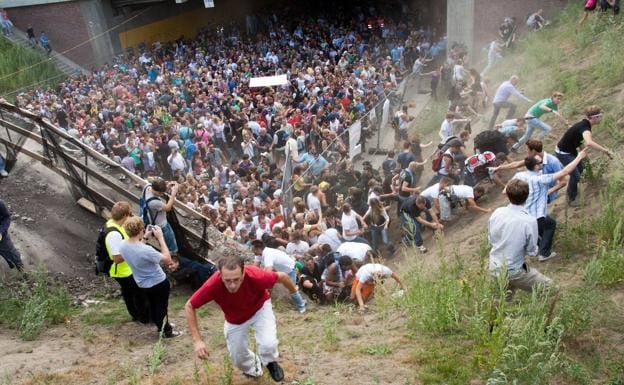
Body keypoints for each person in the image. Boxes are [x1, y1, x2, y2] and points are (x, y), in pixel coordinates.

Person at [185, 256, 302, 381]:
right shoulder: (213, 285)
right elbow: (190, 306)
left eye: (236, 280)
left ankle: (270, 362)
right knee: (238, 358)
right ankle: (255, 368)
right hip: (235, 318)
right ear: (220, 275)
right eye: (227, 281)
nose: (232, 285)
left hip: (259, 308)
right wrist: (197, 340)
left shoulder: (257, 276)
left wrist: (294, 292)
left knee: (268, 344)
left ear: (243, 274)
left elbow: (282, 276)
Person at [512, 149, 588, 261]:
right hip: (536, 214)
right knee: (550, 225)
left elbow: (505, 191)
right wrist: (579, 157)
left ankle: (538, 246)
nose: (542, 163)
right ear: (536, 167)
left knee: (539, 229)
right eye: (540, 163)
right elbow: (564, 172)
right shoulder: (540, 179)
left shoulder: (519, 176)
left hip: (522, 214)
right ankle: (544, 253)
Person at [488, 179, 551, 301]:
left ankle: (496, 317)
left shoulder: (497, 212)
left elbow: (491, 237)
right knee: (551, 288)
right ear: (527, 196)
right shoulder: (529, 220)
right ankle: (543, 313)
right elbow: (532, 250)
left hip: (495, 266)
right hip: (515, 269)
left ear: (507, 194)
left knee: (502, 300)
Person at [120, 217, 181, 338]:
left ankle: (160, 323)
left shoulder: (123, 245)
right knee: (162, 306)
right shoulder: (146, 250)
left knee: (153, 305)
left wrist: (145, 237)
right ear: (141, 230)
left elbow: (136, 248)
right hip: (158, 282)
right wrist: (160, 237)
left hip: (142, 283)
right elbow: (167, 259)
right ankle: (166, 331)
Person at [556, 106, 613, 206]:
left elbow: (578, 139)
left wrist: (582, 153)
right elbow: (589, 142)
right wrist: (606, 151)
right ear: (593, 118)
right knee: (576, 176)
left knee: (581, 168)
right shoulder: (585, 128)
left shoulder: (584, 124)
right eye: (600, 116)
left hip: (570, 150)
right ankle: (571, 199)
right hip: (563, 153)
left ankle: (572, 190)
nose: (601, 118)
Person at [104, 201, 149, 324]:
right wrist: (133, 250)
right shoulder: (113, 234)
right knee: (138, 294)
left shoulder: (117, 226)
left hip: (128, 269)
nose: (131, 216)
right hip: (123, 271)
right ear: (124, 215)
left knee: (130, 294)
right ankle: (144, 317)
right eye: (129, 214)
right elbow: (117, 258)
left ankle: (137, 315)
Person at [251, 240, 306, 313]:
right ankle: (266, 303)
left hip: (290, 270)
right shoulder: (258, 254)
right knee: (267, 285)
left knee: (291, 289)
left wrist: (261, 280)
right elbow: (255, 267)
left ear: (258, 249)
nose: (252, 252)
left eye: (253, 249)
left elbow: (268, 272)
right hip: (278, 269)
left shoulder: (268, 254)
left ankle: (301, 306)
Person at [143, 179, 179, 255]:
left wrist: (166, 188)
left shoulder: (147, 187)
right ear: (158, 191)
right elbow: (168, 208)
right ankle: (172, 257)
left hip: (156, 222)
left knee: (163, 242)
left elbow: (158, 192)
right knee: (171, 246)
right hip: (162, 226)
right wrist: (173, 194)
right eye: (161, 193)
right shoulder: (154, 202)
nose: (161, 194)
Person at [0, 199, 23, 271]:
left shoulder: (0, 204)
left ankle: (21, 269)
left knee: (12, 253)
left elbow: (7, 218)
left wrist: (1, 231)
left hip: (1, 236)